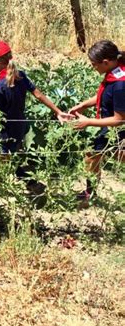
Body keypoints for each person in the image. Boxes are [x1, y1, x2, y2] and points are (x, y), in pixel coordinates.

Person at [0, 40, 72, 155]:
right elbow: (38, 94)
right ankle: (16, 170)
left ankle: (7, 172)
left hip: (5, 129)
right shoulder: (20, 75)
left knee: (4, 155)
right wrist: (58, 111)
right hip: (20, 124)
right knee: (15, 151)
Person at [69, 40, 125, 204]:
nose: (94, 68)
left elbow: (120, 119)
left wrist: (89, 122)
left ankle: (88, 195)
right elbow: (106, 96)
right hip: (108, 127)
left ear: (105, 62)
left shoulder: (120, 84)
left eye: (94, 65)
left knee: (99, 156)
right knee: (92, 156)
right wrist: (83, 105)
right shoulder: (115, 73)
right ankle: (89, 194)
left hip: (115, 128)